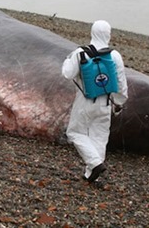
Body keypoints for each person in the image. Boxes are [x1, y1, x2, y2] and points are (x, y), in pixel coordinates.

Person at [62, 20, 128, 183]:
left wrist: (66, 61)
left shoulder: (80, 53)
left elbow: (68, 74)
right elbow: (121, 83)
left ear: (92, 33)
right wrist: (119, 103)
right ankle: (92, 172)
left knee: (75, 132)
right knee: (99, 137)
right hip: (105, 103)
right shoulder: (115, 56)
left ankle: (95, 164)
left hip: (85, 101)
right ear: (108, 34)